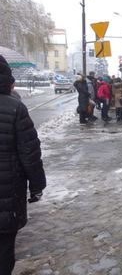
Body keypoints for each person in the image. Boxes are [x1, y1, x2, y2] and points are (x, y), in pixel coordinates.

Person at [0, 55, 46, 274]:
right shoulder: (15, 108)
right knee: (4, 252)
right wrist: (37, 186)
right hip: (7, 197)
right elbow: (30, 153)